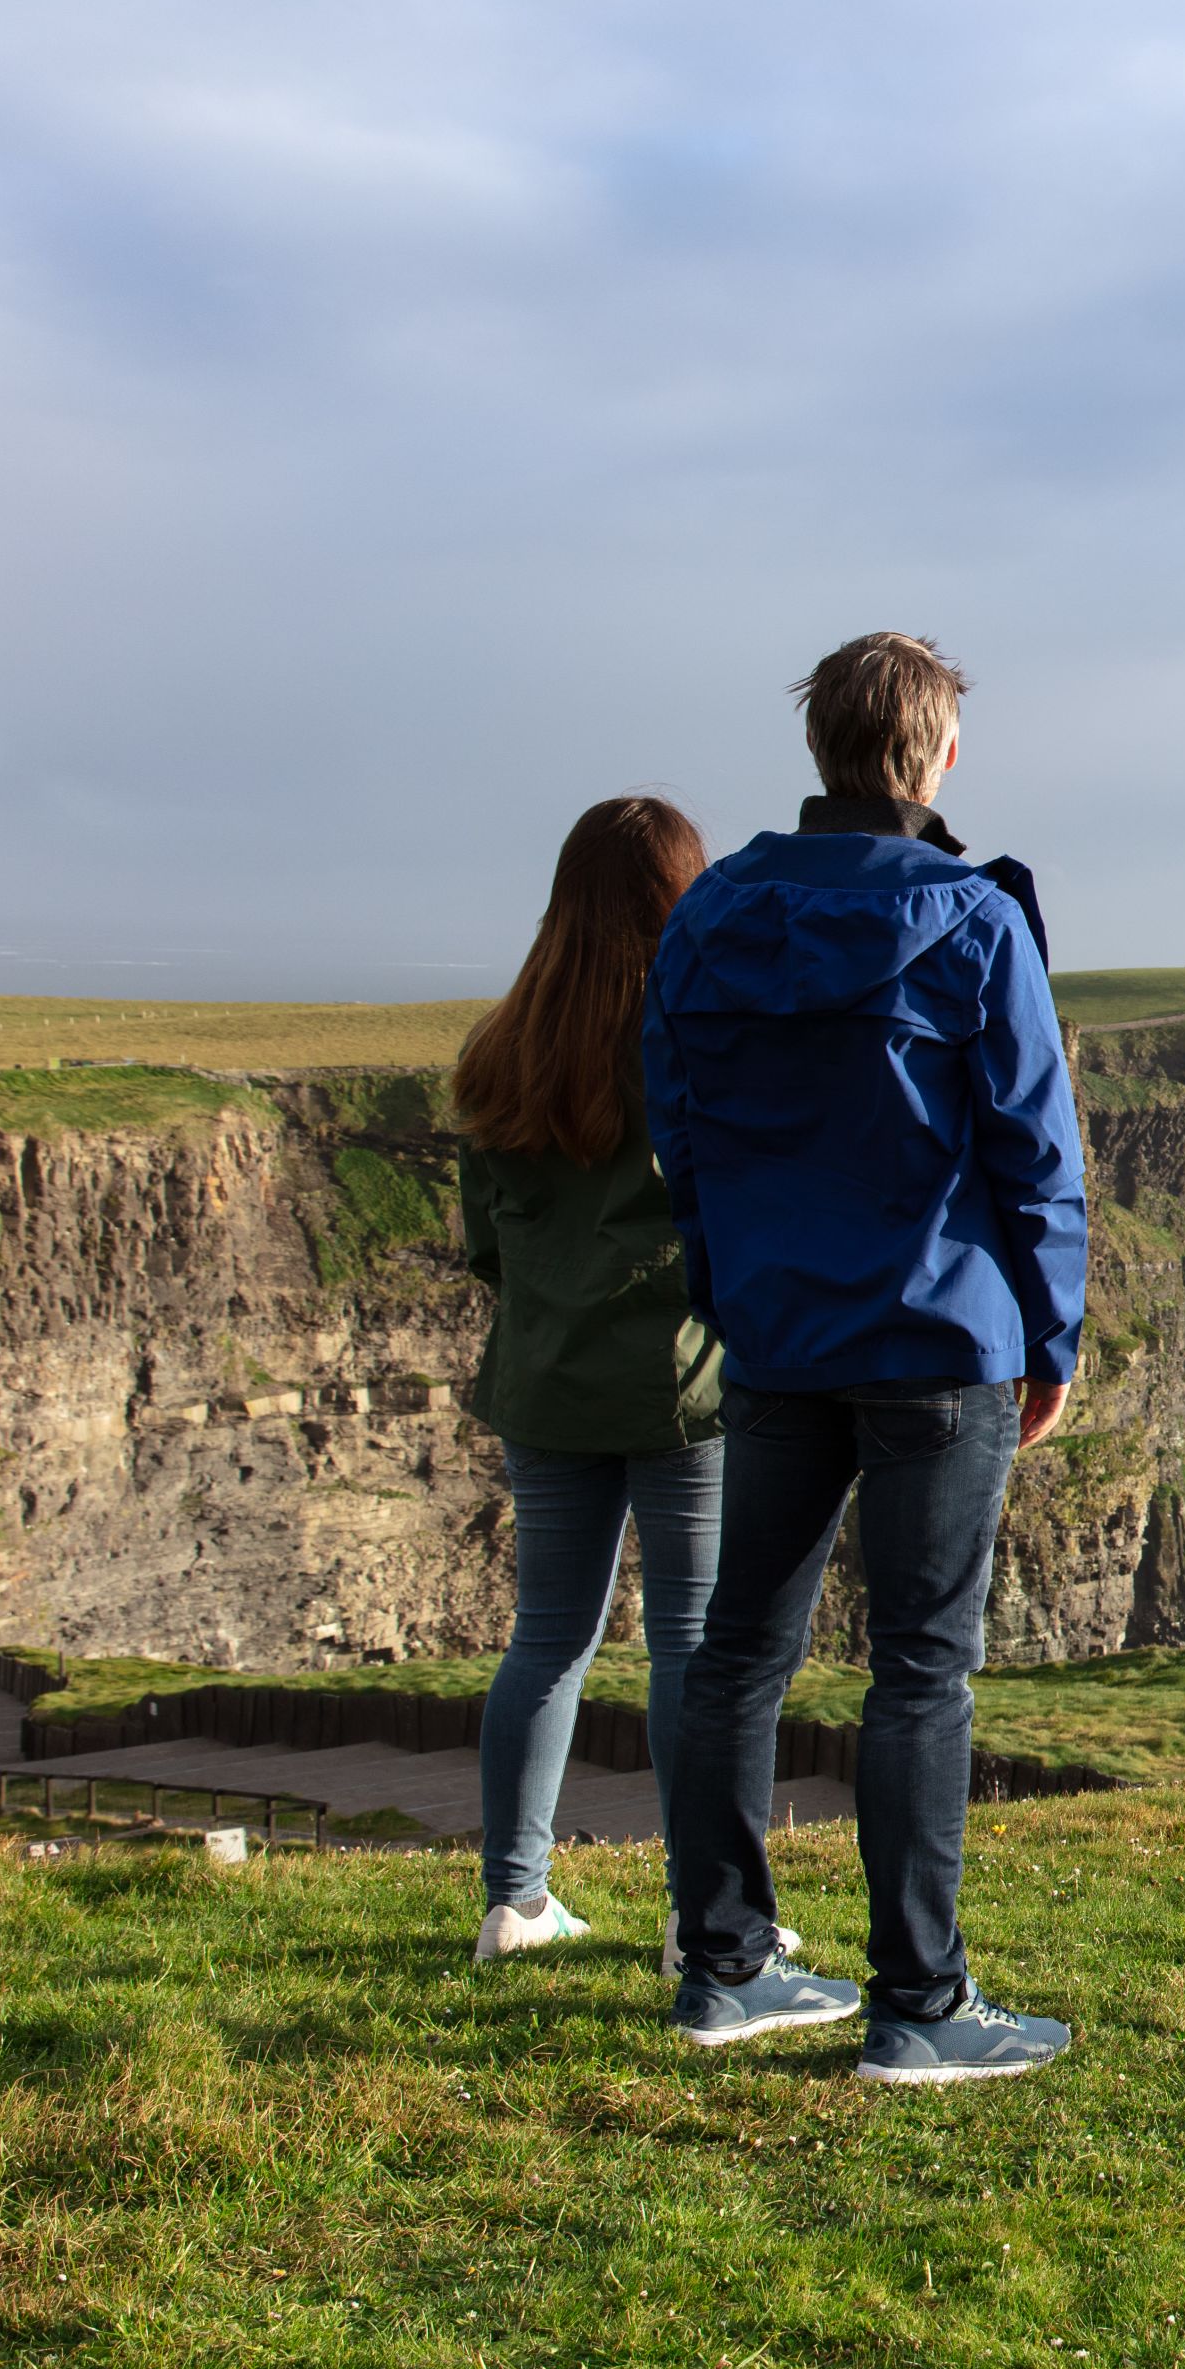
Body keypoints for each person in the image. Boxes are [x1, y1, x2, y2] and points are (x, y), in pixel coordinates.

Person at [643, 631, 1088, 2083]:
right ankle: (919, 2004)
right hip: (940, 1339)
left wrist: (727, 1290)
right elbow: (1035, 1152)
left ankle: (725, 1967)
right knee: (920, 1668)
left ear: (820, 746)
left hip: (778, 1336)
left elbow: (680, 1130)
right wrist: (1052, 1333)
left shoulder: (710, 915)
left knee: (739, 1651)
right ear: (940, 753)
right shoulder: (974, 920)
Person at [455, 796, 724, 1966]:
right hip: (683, 1391)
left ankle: (515, 1901)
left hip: (546, 1383)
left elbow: (485, 1245)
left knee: (547, 1639)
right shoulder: (699, 1042)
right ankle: (699, 1915)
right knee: (690, 1647)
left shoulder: (501, 1048)